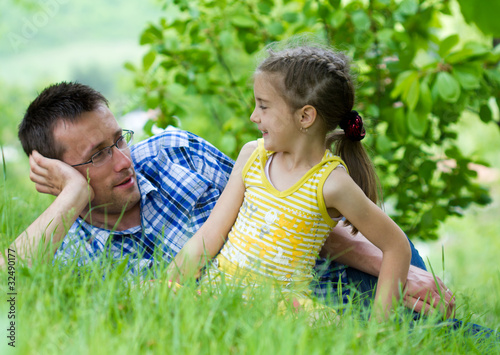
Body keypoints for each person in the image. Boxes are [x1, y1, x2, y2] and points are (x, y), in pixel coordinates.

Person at [6, 81, 454, 317]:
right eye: (99, 155)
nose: (124, 160)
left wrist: (379, 261)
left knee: (449, 334)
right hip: (278, 314)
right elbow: (9, 292)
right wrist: (73, 195)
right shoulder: (69, 253)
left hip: (329, 265)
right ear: (60, 172)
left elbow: (287, 209)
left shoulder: (174, 151)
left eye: (118, 139)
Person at [167, 45, 413, 320]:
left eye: (263, 106)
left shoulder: (331, 183)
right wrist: (169, 285)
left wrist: (377, 330)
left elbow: (396, 246)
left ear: (305, 117)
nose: (254, 116)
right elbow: (210, 233)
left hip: (282, 312)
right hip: (221, 294)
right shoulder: (253, 155)